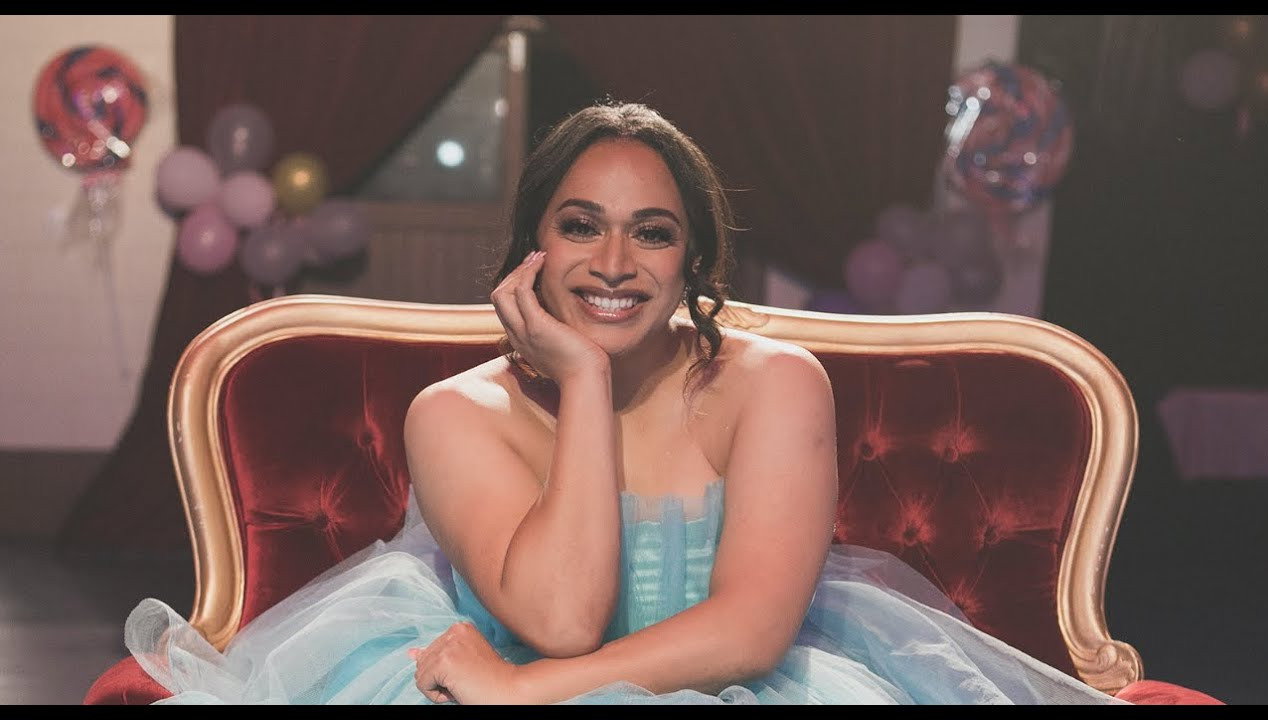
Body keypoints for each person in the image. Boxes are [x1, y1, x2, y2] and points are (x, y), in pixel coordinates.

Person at [123, 102, 1126, 704]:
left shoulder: (775, 383)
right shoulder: (452, 414)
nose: (613, 262)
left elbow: (749, 633)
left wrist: (522, 692)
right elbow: (563, 619)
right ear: (533, 246)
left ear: (691, 259)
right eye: (579, 226)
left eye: (651, 232)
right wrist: (585, 380)